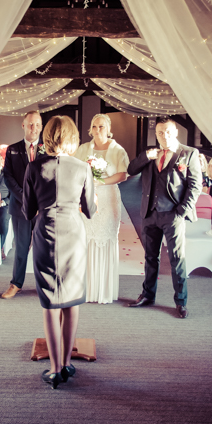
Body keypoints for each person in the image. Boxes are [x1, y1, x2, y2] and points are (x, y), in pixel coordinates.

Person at [22, 115, 96, 389]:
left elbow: (28, 211)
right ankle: (67, 363)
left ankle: (54, 370)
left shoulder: (33, 167)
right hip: (73, 235)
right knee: (72, 300)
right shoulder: (82, 168)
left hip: (46, 235)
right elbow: (89, 210)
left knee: (50, 303)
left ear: (47, 136)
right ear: (73, 137)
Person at [127, 117, 201, 319]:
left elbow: (195, 186)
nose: (164, 136)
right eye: (160, 133)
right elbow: (131, 170)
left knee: (177, 259)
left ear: (175, 132)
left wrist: (181, 211)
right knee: (150, 257)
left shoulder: (189, 153)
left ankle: (181, 301)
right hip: (150, 214)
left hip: (173, 215)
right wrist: (145, 157)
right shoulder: (152, 153)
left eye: (168, 132)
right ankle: (148, 295)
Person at [74, 113, 129, 304]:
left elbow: (122, 175)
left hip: (108, 200)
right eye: (95, 126)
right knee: (86, 238)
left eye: (102, 127)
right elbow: (75, 169)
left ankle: (103, 290)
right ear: (90, 129)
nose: (98, 130)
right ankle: (86, 289)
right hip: (87, 198)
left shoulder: (117, 150)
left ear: (108, 129)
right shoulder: (82, 149)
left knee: (105, 239)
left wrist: (99, 181)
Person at [2, 110, 43, 299]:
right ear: (23, 125)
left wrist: (39, 199)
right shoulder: (12, 149)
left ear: (41, 126)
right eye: (30, 124)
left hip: (43, 208)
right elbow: (8, 178)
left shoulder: (47, 149)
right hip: (20, 207)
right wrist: (25, 197)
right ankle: (16, 284)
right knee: (21, 246)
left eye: (37, 124)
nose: (34, 128)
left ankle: (43, 285)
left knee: (44, 248)